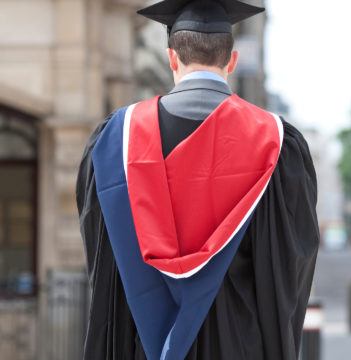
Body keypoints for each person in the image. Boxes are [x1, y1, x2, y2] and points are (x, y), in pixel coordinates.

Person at [76, 1, 319, 359]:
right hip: (239, 345)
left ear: (172, 58)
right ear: (231, 61)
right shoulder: (277, 144)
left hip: (141, 344)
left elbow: (100, 252)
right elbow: (290, 267)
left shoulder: (116, 140)